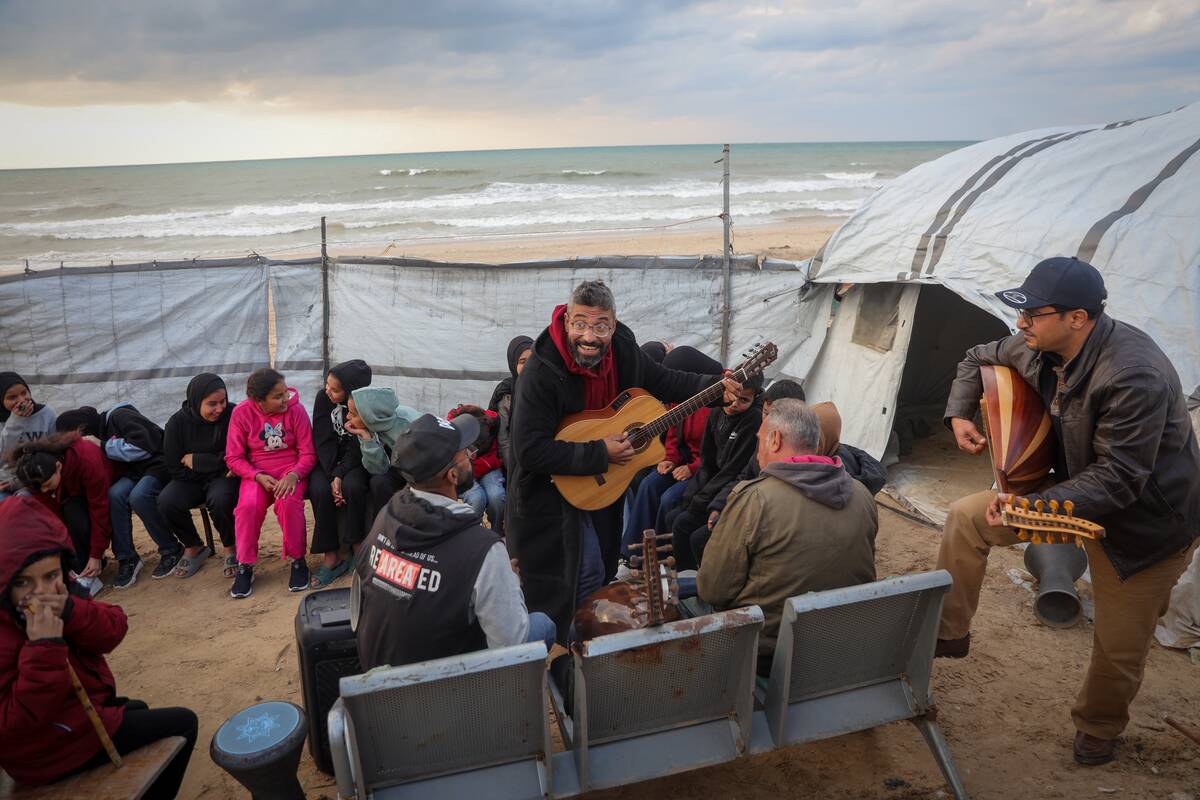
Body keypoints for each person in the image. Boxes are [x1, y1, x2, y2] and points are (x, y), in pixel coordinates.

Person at [936, 256, 1200, 766]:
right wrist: (958, 414)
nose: (1020, 323)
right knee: (966, 518)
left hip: (1145, 523)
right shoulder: (1038, 343)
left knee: (1119, 646)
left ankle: (1099, 726)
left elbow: (1120, 478)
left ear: (1077, 318)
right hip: (1074, 485)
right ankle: (950, 633)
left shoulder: (1134, 374)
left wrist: (1030, 505)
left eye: (1032, 313)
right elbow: (975, 357)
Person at [507, 279, 740, 640]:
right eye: (580, 324)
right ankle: (574, 652)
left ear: (613, 326)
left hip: (602, 488)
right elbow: (529, 449)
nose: (589, 336)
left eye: (600, 326)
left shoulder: (623, 352)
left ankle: (592, 646)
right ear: (567, 321)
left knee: (601, 567)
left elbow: (667, 380)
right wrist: (601, 453)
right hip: (549, 497)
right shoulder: (541, 371)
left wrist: (716, 385)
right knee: (573, 580)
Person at [0, 496, 198, 795]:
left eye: (51, 575)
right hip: (50, 751)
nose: (41, 592)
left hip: (80, 716)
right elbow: (13, 728)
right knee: (183, 723)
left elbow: (114, 630)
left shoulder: (62, 594)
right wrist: (43, 647)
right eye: (22, 582)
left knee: (137, 709)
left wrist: (71, 611)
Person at [353, 414, 555, 671]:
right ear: (452, 475)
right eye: (465, 454)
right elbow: (510, 646)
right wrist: (510, 583)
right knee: (543, 624)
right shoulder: (483, 550)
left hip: (381, 677)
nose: (471, 456)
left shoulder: (386, 515)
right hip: (452, 687)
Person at [697, 399, 879, 675]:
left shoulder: (754, 499)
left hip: (767, 654)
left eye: (759, 440)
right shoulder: (863, 495)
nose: (757, 451)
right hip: (839, 644)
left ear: (775, 440)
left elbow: (713, 589)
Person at [701, 380, 887, 560]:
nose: (769, 423)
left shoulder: (803, 482)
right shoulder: (860, 494)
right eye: (766, 413)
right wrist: (720, 504)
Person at [619, 346, 723, 563]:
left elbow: (717, 452)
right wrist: (670, 458)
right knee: (648, 484)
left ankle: (659, 557)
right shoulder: (681, 398)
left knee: (669, 498)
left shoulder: (716, 404)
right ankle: (632, 553)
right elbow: (673, 434)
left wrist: (692, 468)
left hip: (704, 469)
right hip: (683, 463)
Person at [57, 404, 176, 588]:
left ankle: (171, 549)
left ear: (81, 430)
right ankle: (127, 557)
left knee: (139, 496)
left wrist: (103, 445)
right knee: (114, 495)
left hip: (158, 464)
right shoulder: (101, 432)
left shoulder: (120, 416)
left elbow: (144, 447)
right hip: (135, 471)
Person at [225, 368, 317, 599]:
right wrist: (256, 475)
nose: (286, 398)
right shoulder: (241, 413)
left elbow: (308, 453)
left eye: (285, 393)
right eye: (278, 396)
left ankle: (298, 560)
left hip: (291, 470)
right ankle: (245, 565)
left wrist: (294, 475)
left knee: (288, 503)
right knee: (247, 507)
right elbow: (233, 457)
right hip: (257, 473)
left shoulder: (296, 410)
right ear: (259, 401)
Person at [663, 373, 763, 572]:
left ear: (755, 398)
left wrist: (702, 502)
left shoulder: (752, 421)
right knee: (672, 514)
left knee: (684, 525)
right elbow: (706, 462)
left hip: (728, 492)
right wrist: (692, 497)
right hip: (712, 485)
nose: (734, 404)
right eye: (733, 396)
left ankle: (689, 580)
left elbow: (733, 471)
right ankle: (682, 574)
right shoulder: (716, 411)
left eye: (744, 400)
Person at [9, 432, 112, 598]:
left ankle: (89, 572)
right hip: (74, 496)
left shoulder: (85, 458)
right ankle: (76, 569)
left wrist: (96, 554)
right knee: (60, 518)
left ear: (58, 466)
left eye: (47, 484)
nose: (44, 490)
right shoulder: (38, 482)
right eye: (40, 488)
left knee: (76, 512)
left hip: (107, 484)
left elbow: (99, 507)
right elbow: (55, 517)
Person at [157, 373, 239, 579]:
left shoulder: (234, 414)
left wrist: (200, 461)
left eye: (223, 401)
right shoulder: (176, 423)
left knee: (220, 499)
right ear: (195, 401)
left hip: (224, 477)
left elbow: (239, 455)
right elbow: (175, 467)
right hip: (191, 479)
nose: (219, 408)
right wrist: (217, 466)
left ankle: (231, 547)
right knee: (167, 501)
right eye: (212, 404)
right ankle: (193, 545)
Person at [308, 360, 373, 589]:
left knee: (353, 486)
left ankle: (357, 546)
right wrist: (332, 475)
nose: (328, 391)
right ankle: (331, 556)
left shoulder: (363, 404)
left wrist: (341, 474)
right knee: (319, 488)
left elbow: (357, 446)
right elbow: (322, 439)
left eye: (335, 389)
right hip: (327, 461)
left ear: (351, 391)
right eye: (327, 385)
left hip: (355, 461)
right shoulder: (322, 399)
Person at [344, 386, 422, 514]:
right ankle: (383, 524)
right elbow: (377, 469)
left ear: (370, 415)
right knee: (378, 482)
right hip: (400, 467)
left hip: (420, 470)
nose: (347, 417)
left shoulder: (408, 425)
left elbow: (425, 463)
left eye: (353, 414)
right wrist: (366, 438)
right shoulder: (370, 425)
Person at [447, 404, 506, 533]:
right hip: (463, 468)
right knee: (477, 498)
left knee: (496, 496)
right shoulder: (453, 428)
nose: (473, 450)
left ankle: (496, 533)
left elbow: (495, 457)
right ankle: (470, 533)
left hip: (488, 466)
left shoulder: (492, 425)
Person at [0, 372, 57, 501]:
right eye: (12, 397)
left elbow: (54, 452)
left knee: (24, 503)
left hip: (35, 480)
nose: (22, 400)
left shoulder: (46, 414)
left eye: (24, 393)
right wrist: (15, 422)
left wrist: (19, 483)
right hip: (4, 481)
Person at [488, 335, 532, 471]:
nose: (529, 366)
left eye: (533, 360)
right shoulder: (507, 395)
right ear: (513, 364)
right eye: (523, 361)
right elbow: (504, 441)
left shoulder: (546, 388)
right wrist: (515, 471)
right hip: (516, 463)